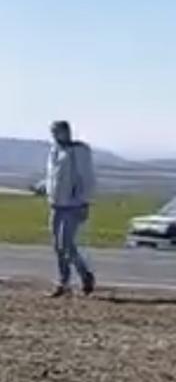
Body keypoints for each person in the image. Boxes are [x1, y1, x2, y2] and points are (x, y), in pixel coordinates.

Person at [45, 121, 97, 297]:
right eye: (53, 132)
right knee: (58, 246)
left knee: (66, 244)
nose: (55, 135)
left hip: (73, 205)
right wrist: (45, 189)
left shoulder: (78, 151)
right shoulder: (55, 151)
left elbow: (87, 178)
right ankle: (66, 281)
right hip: (56, 204)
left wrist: (84, 201)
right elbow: (53, 176)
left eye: (58, 132)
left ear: (67, 132)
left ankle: (81, 276)